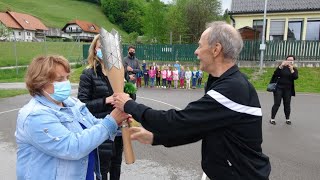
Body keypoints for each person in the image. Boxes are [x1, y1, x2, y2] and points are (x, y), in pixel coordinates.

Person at [113, 21, 271, 180]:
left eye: (199, 45)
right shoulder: (223, 82)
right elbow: (196, 127)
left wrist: (129, 105)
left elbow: (177, 122)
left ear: (216, 49)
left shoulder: (232, 88)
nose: (196, 52)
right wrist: (155, 137)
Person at [15, 55, 129, 180]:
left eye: (67, 77)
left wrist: (119, 124)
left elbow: (94, 124)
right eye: (59, 79)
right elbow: (72, 147)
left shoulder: (72, 103)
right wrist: (111, 121)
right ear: (40, 83)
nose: (66, 83)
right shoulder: (35, 116)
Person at [77, 34, 134, 180]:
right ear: (95, 50)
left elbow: (132, 95)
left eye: (108, 47)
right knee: (101, 170)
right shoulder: (88, 74)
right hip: (100, 129)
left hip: (120, 129)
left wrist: (128, 101)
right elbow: (82, 106)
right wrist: (106, 100)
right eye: (101, 46)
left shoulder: (121, 72)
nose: (105, 49)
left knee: (116, 167)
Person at [269, 55, 299, 125]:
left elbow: (295, 77)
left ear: (293, 61)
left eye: (291, 60)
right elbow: (275, 74)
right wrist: (281, 66)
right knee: (277, 103)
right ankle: (272, 119)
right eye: (288, 60)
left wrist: (291, 70)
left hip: (288, 89)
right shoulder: (281, 67)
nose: (289, 61)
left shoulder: (294, 69)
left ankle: (287, 119)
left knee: (287, 104)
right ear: (285, 60)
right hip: (278, 88)